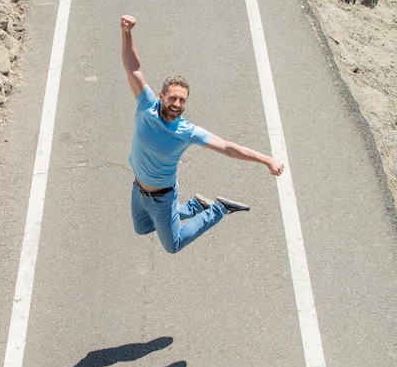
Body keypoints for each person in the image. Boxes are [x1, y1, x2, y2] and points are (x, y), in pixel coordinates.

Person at [121, 14, 284, 254]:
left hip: (163, 198)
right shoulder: (146, 106)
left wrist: (267, 160)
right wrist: (126, 34)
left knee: (173, 245)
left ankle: (218, 209)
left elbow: (227, 147)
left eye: (182, 100)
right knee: (143, 228)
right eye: (173, 98)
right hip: (138, 189)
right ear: (161, 96)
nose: (177, 103)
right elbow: (133, 67)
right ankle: (194, 205)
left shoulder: (187, 131)